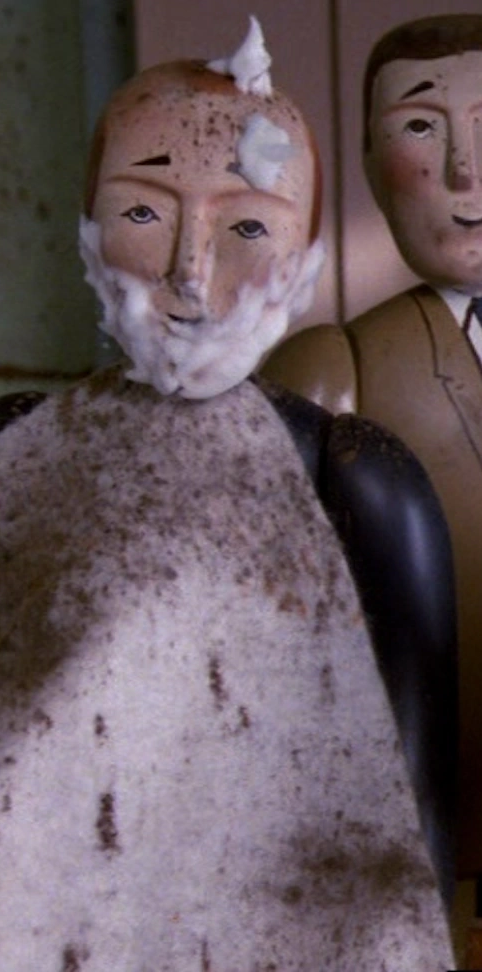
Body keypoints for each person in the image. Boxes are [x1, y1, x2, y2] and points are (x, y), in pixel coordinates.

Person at [0, 19, 455, 969]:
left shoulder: (352, 473)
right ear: (87, 227)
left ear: (305, 250)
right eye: (144, 212)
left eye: (247, 225)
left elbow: (416, 783)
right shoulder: (7, 447)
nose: (189, 270)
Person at [262, 13, 482, 881]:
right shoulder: (334, 370)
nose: (465, 168)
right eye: (420, 126)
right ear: (367, 162)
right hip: (406, 845)